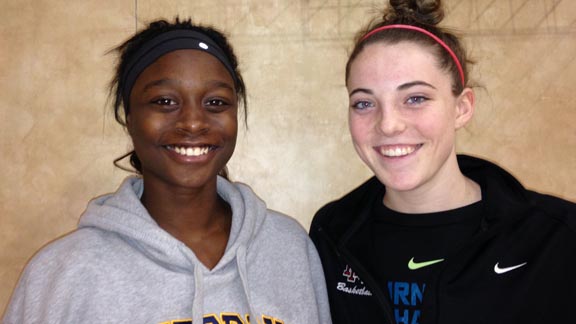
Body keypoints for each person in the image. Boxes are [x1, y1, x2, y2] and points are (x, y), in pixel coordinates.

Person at [3, 18, 331, 324]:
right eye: (164, 102)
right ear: (129, 117)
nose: (192, 122)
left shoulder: (289, 249)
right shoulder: (62, 273)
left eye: (216, 103)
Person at [309, 0, 576, 323]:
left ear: (461, 107)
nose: (388, 124)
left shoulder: (556, 236)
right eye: (364, 103)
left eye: (416, 98)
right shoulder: (331, 235)